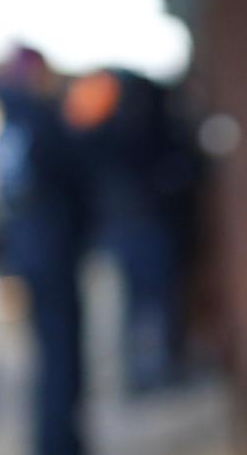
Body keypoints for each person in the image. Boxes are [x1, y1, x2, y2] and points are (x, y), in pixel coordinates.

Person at [0, 47, 91, 455]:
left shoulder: (7, 126)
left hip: (27, 253)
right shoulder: (41, 120)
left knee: (46, 360)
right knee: (62, 359)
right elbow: (75, 182)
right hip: (53, 253)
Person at [66, 67, 188, 394]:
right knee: (150, 301)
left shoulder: (96, 133)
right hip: (140, 223)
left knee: (138, 303)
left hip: (120, 226)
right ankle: (151, 372)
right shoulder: (134, 130)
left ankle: (143, 373)